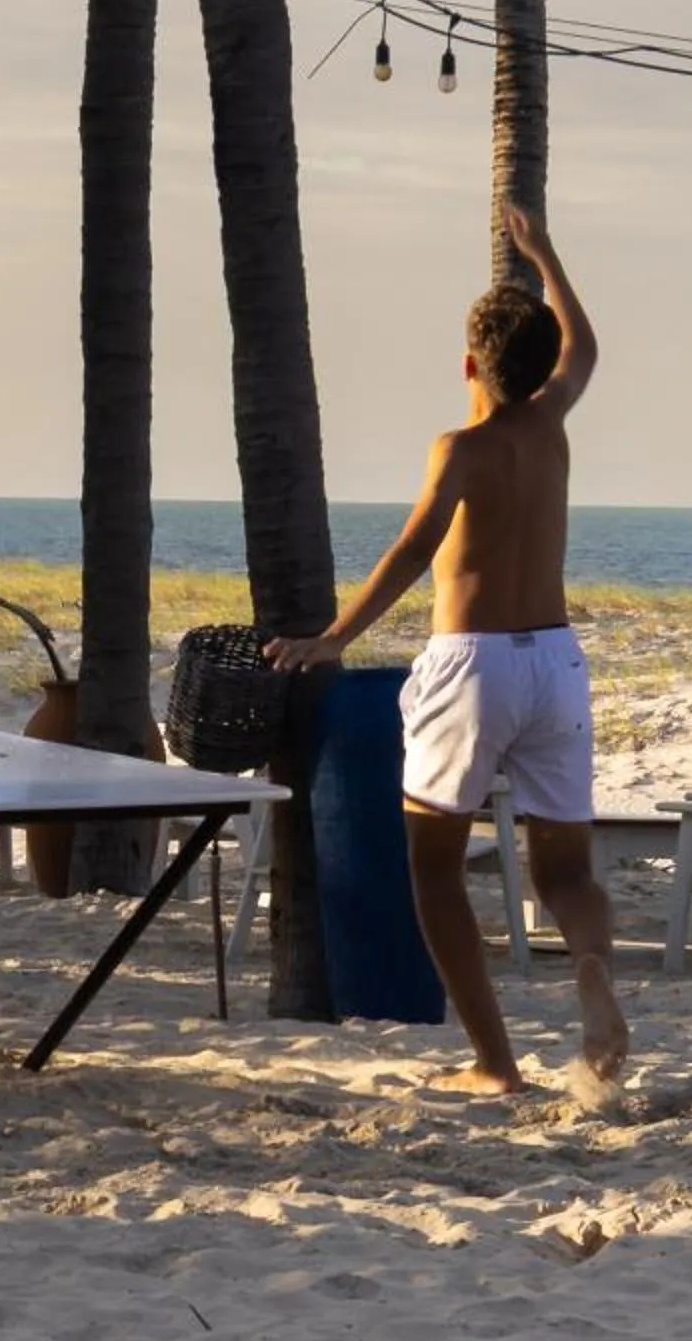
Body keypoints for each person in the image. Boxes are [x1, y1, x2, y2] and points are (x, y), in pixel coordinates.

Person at [265, 207, 627, 1100]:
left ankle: (495, 1063)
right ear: (541, 368)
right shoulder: (553, 427)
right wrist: (544, 252)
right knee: (566, 871)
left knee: (433, 870)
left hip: (472, 666)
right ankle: (592, 971)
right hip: (553, 659)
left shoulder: (460, 448)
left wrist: (332, 638)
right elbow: (586, 347)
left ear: (469, 365)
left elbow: (412, 550)